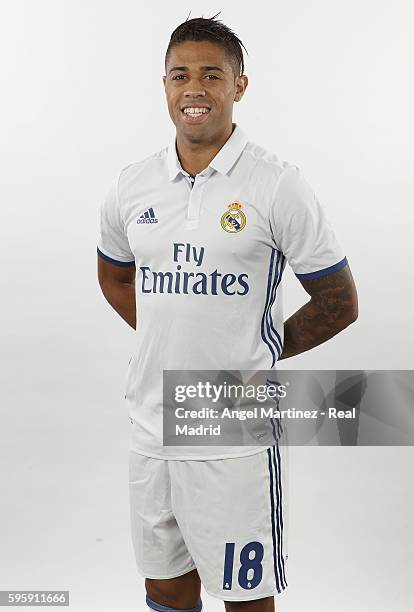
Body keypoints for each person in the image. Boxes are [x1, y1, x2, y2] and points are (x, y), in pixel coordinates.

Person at [97, 13, 358, 612]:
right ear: (163, 84)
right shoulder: (132, 184)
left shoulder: (275, 184)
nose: (195, 88)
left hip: (234, 430)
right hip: (149, 424)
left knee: (244, 595)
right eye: (179, 74)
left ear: (239, 85)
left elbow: (340, 301)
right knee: (164, 586)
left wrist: (252, 346)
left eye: (212, 74)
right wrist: (173, 332)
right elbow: (114, 275)